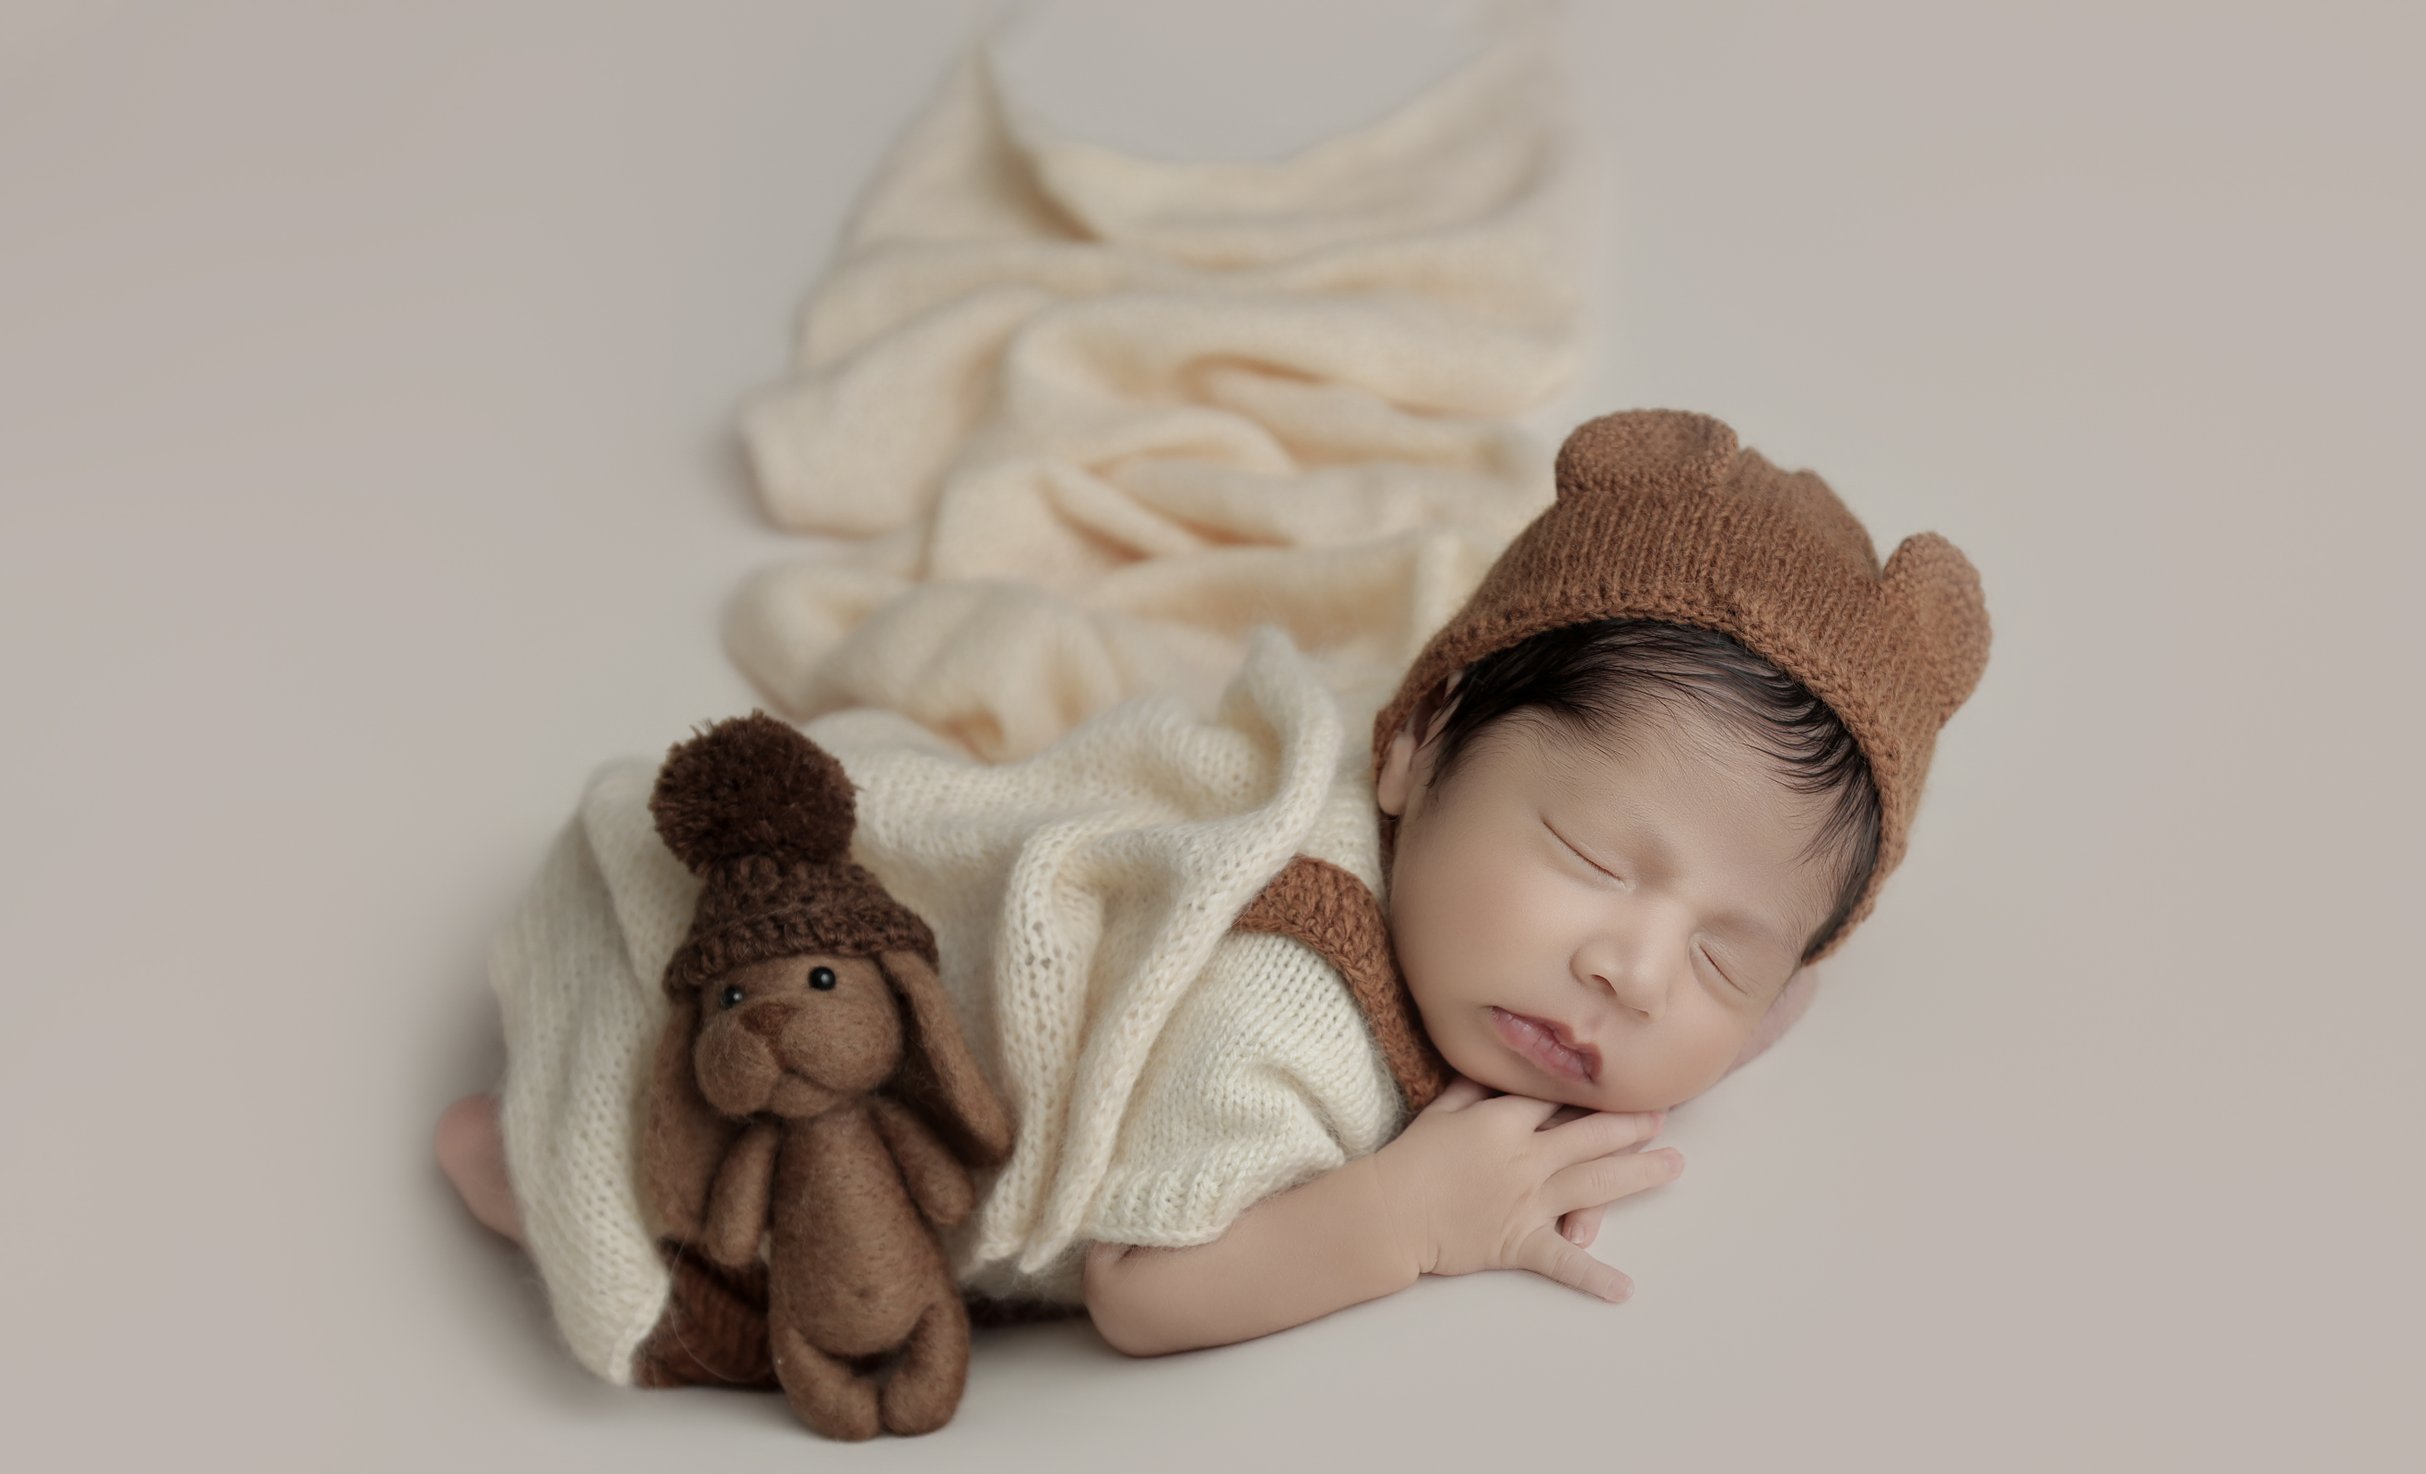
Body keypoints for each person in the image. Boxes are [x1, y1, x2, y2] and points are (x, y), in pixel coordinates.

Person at [437, 407, 1988, 1374]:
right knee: (743, 1238)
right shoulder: (1289, 1009)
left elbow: (1725, 946)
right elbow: (1144, 1285)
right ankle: (539, 1150)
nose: (1635, 973)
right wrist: (1406, 1221)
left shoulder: (1489, 900)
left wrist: (1748, 1000)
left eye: (1727, 959)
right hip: (831, 1030)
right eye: (1591, 859)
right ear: (1413, 745)